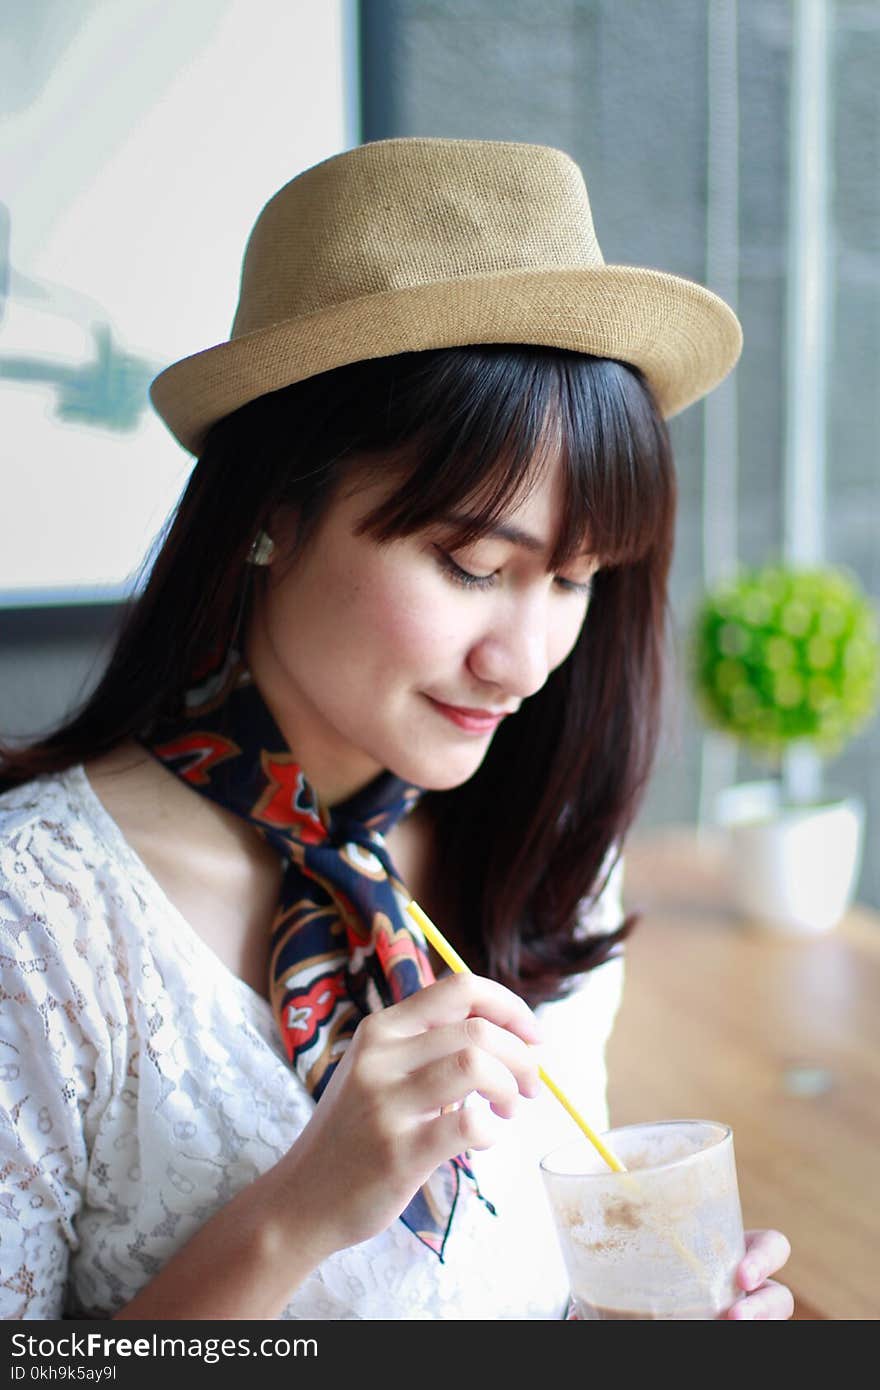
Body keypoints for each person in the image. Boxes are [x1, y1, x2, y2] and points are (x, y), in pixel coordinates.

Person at [0, 137, 793, 1321]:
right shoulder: (40, 918)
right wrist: (298, 1209)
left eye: (574, 579)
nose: (522, 660)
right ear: (273, 510)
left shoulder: (552, 849)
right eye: (472, 565)